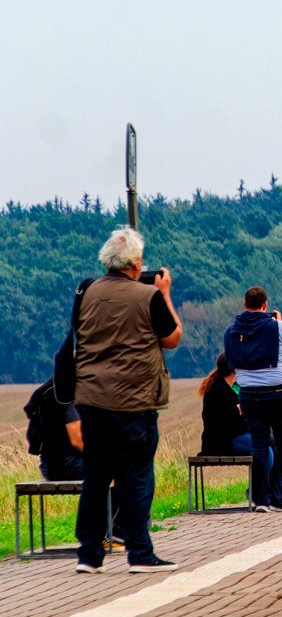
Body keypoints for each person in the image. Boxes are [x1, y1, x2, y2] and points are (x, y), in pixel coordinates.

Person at [73, 226, 181, 574]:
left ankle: (88, 555)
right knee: (135, 476)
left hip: (91, 399)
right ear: (136, 263)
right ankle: (140, 554)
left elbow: (79, 330)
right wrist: (163, 293)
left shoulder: (86, 292)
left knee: (95, 477)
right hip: (133, 402)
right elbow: (172, 338)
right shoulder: (147, 297)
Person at [225, 286, 282, 513]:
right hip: (277, 392)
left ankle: (261, 500)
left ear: (244, 304)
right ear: (265, 305)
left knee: (259, 447)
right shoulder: (278, 326)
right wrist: (279, 323)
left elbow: (232, 361)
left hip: (249, 394)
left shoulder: (232, 331)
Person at [198, 353, 282, 507]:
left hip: (239, 435)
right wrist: (238, 409)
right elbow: (216, 422)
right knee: (264, 451)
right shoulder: (216, 390)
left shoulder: (237, 387)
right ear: (235, 369)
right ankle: (257, 493)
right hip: (222, 441)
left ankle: (275, 497)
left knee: (276, 446)